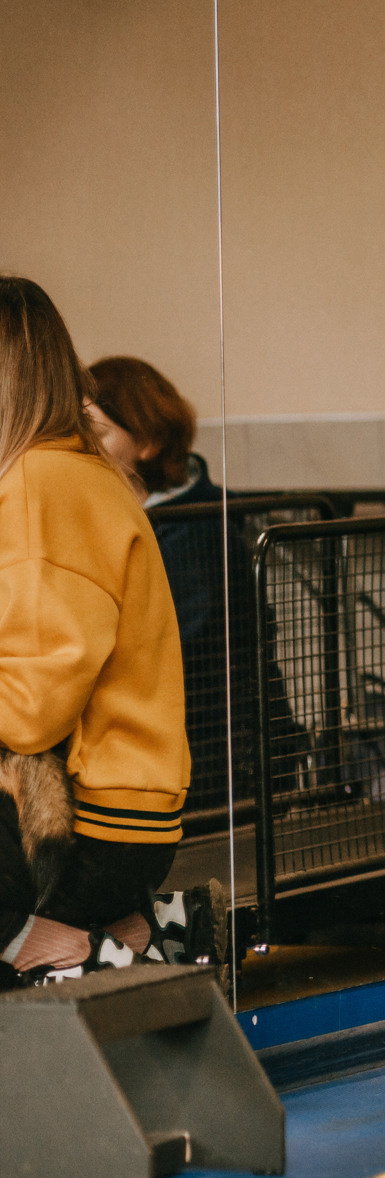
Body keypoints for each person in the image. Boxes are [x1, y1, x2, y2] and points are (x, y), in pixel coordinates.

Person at [0, 277, 208, 986]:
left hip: (79, 824)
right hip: (132, 819)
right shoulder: (89, 473)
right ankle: (128, 934)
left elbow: (32, 703)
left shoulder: (36, 480)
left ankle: (66, 945)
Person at [87, 356, 268, 817]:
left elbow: (177, 646)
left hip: (207, 757)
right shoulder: (148, 513)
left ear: (146, 440)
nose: (83, 447)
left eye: (97, 432)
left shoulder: (198, 526)